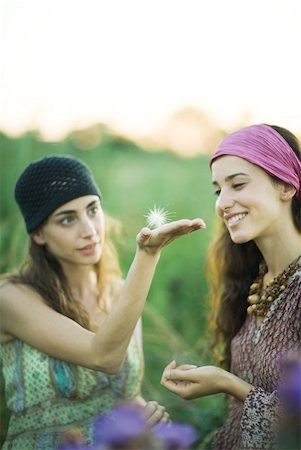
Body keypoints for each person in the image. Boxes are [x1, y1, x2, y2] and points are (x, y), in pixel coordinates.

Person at [0, 155, 205, 449]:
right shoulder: (11, 298)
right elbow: (103, 357)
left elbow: (120, 394)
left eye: (92, 209)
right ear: (39, 234)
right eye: (67, 219)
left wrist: (144, 419)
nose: (90, 229)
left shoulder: (120, 293)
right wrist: (148, 255)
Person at [160, 124, 301, 449]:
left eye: (237, 184)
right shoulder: (253, 279)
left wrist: (226, 383)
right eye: (217, 190)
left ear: (285, 185)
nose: (223, 202)